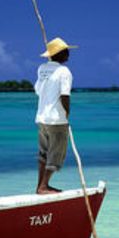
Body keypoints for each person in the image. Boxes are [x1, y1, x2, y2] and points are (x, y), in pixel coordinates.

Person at [34, 37, 78, 194]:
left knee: (43, 153)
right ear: (58, 54)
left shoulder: (41, 69)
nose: (68, 53)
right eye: (65, 50)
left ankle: (40, 186)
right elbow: (65, 96)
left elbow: (38, 90)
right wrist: (67, 115)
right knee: (56, 154)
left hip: (42, 118)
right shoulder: (64, 71)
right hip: (57, 120)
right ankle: (44, 186)